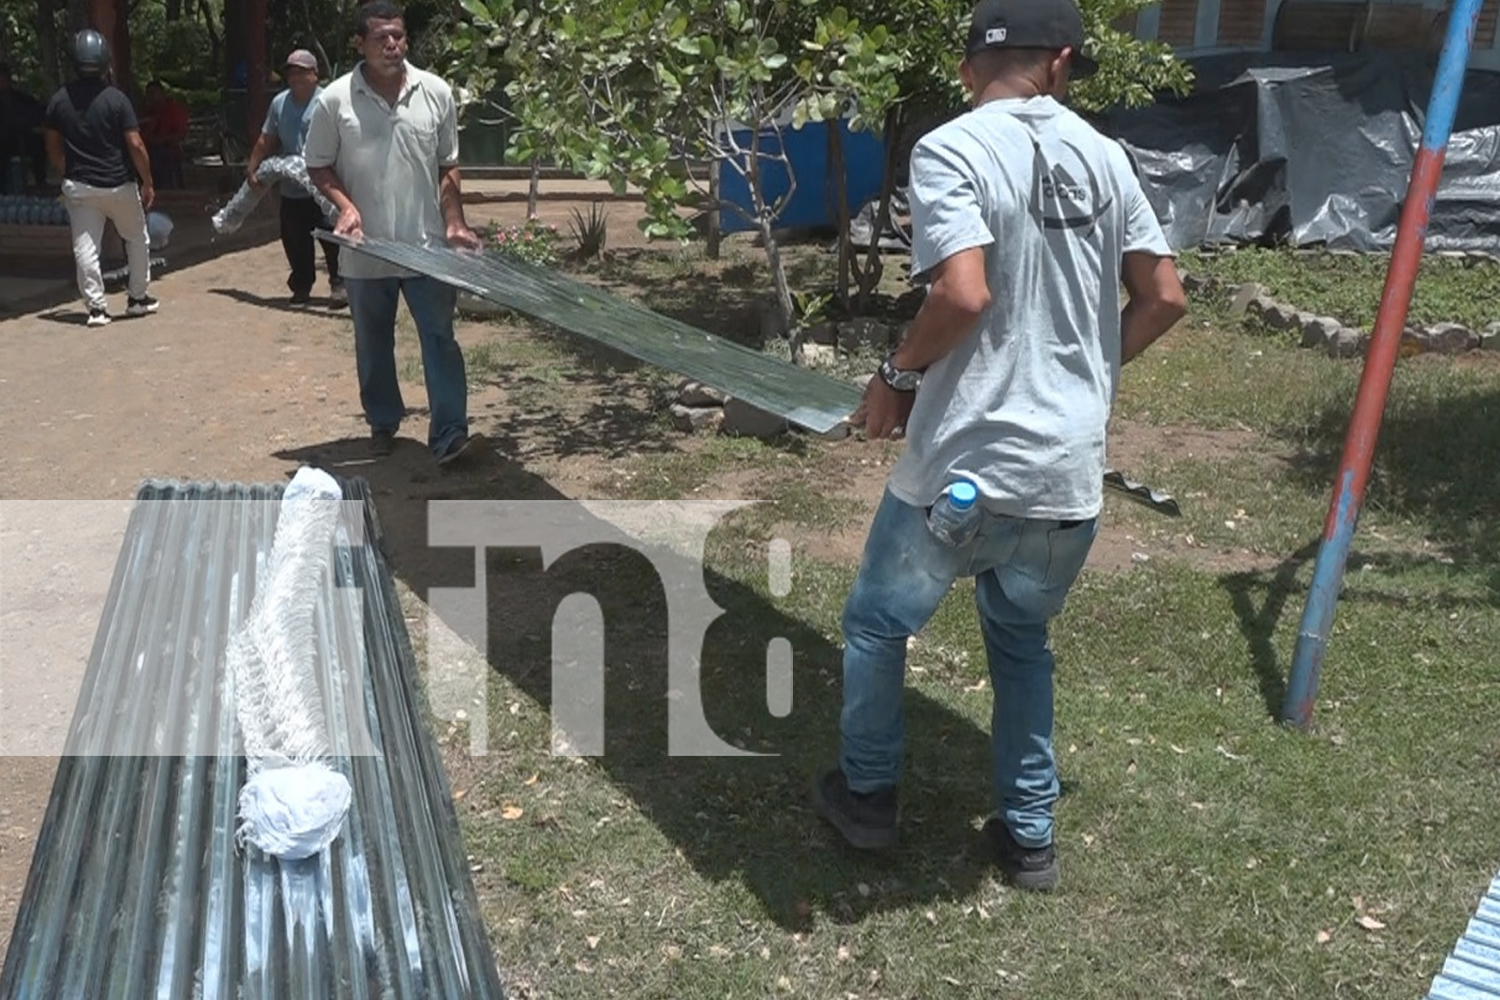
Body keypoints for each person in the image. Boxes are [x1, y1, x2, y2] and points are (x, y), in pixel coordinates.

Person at [812, 0, 1187, 892]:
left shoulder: (951, 149)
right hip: (1064, 478)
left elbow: (964, 295)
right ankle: (1028, 841)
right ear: (1060, 61)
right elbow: (1165, 297)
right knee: (1021, 644)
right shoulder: (1106, 157)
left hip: (962, 468)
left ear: (969, 66)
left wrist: (896, 377)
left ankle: (866, 800)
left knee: (875, 625)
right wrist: (1086, 376)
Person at [304, 0, 483, 465]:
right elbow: (317, 164)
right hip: (365, 251)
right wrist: (345, 208)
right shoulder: (334, 100)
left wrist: (455, 222)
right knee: (373, 344)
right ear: (359, 43)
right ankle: (383, 421)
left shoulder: (436, 92)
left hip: (427, 249)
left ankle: (449, 434)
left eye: (399, 36)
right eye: (381, 37)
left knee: (440, 339)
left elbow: (448, 165)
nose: (392, 44)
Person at [44, 29, 158, 328]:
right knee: (136, 239)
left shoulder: (59, 100)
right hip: (120, 185)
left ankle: (96, 309)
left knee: (85, 248)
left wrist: (63, 169)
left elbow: (52, 143)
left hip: (80, 188)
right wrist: (147, 180)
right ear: (105, 61)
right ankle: (137, 298)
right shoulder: (117, 100)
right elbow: (135, 144)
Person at [246, 49, 344, 306]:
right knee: (294, 239)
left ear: (315, 74)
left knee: (331, 234)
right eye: (292, 72)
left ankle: (339, 284)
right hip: (292, 186)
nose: (296, 77)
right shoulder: (280, 103)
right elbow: (267, 137)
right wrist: (253, 166)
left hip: (323, 184)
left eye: (302, 72)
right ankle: (301, 285)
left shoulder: (327, 101)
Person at [0, 64, 48, 193]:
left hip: (21, 137)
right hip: (3, 142)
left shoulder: (21, 98)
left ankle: (40, 182)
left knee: (38, 142)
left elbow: (36, 113)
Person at [138, 80, 189, 189]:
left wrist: (161, 140)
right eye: (149, 94)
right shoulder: (147, 112)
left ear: (161, 93)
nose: (151, 97)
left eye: (153, 93)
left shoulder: (173, 109)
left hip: (168, 151)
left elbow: (181, 133)